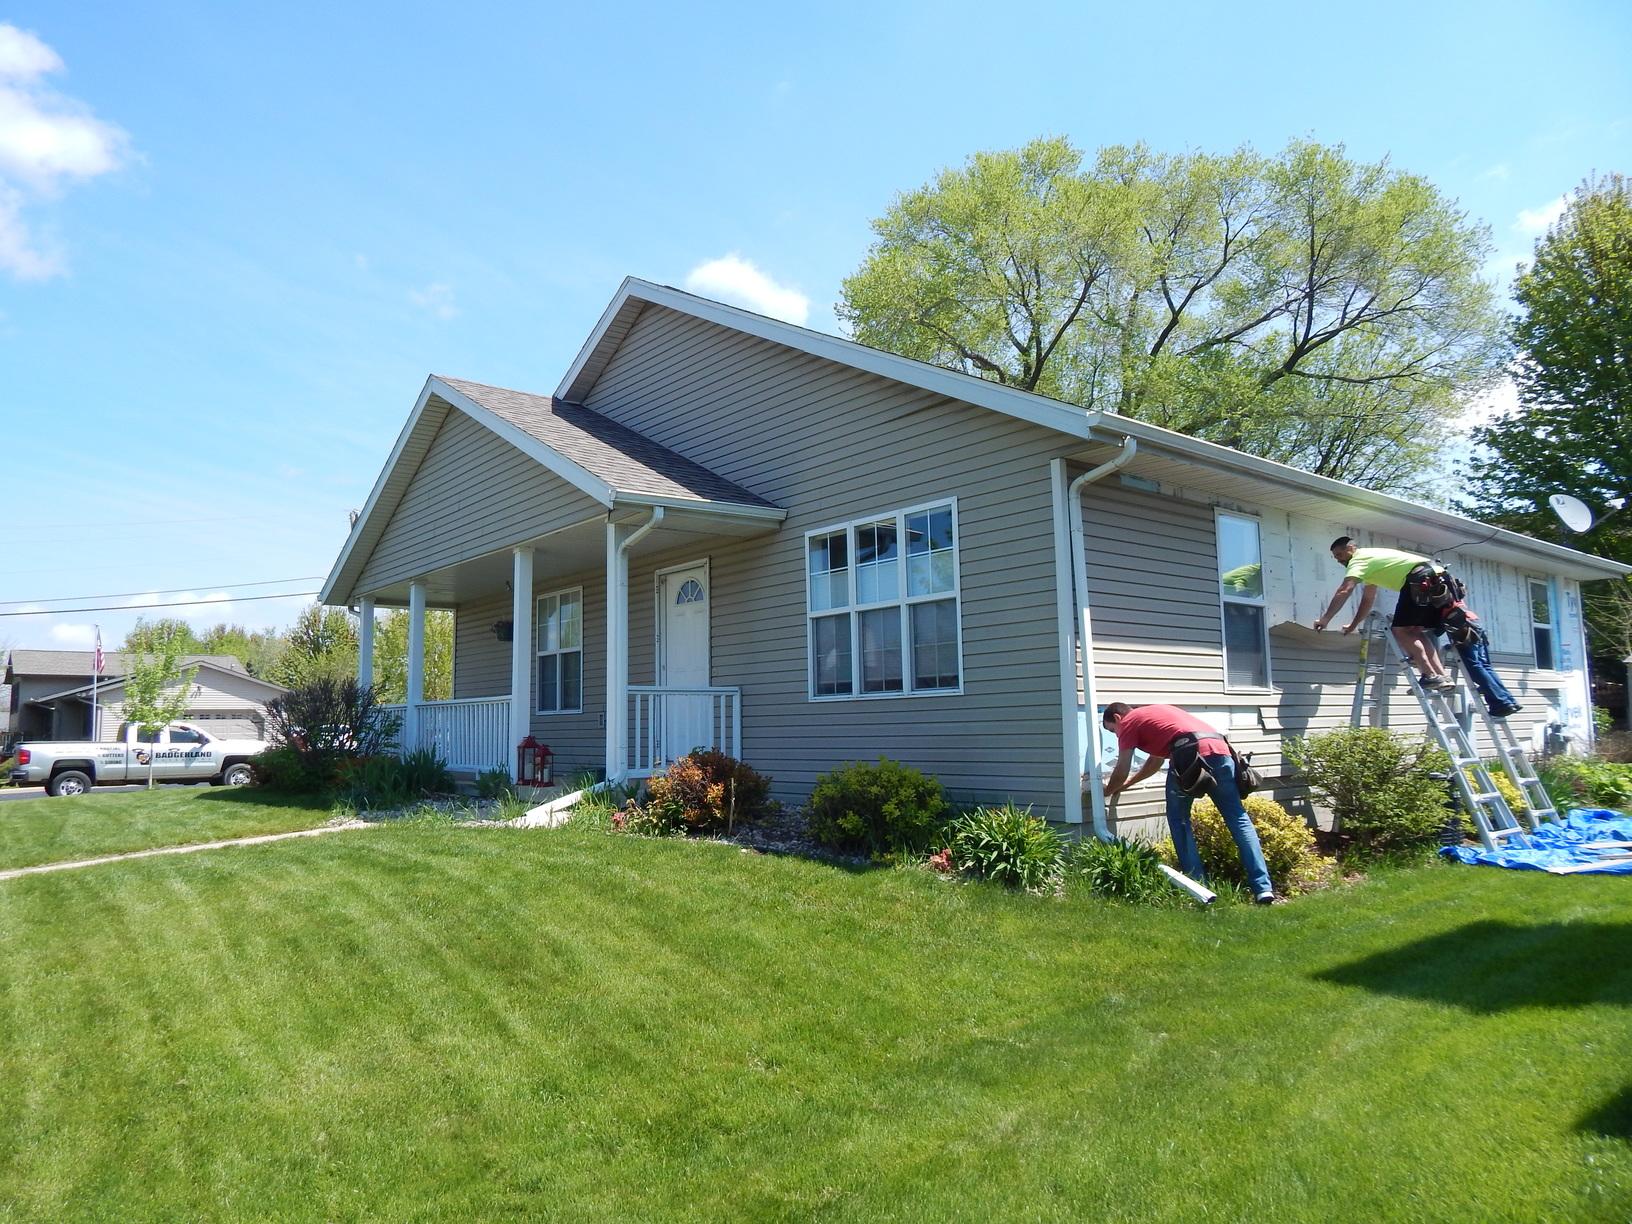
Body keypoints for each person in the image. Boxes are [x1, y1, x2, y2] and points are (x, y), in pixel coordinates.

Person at [1314, 537, 1519, 716]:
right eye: (1335, 557)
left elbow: (1345, 590)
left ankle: (1430, 675)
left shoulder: (1358, 560)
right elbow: (1368, 599)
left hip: (1420, 580)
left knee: (1401, 630)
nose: (1338, 559)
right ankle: (1441, 677)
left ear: (1351, 548)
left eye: (1340, 554)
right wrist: (1354, 624)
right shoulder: (1370, 562)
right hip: (1439, 581)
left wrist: (1325, 619)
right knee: (1415, 631)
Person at [1098, 702, 1276, 904]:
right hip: (1222, 750)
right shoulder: (1153, 715)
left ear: (1118, 718)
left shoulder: (1129, 722)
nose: (1116, 735)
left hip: (1189, 755)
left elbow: (1122, 767)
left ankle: (1198, 886)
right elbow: (1154, 763)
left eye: (1112, 730)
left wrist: (1106, 791)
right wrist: (1127, 785)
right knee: (1238, 818)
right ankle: (1263, 888)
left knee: (1179, 820)